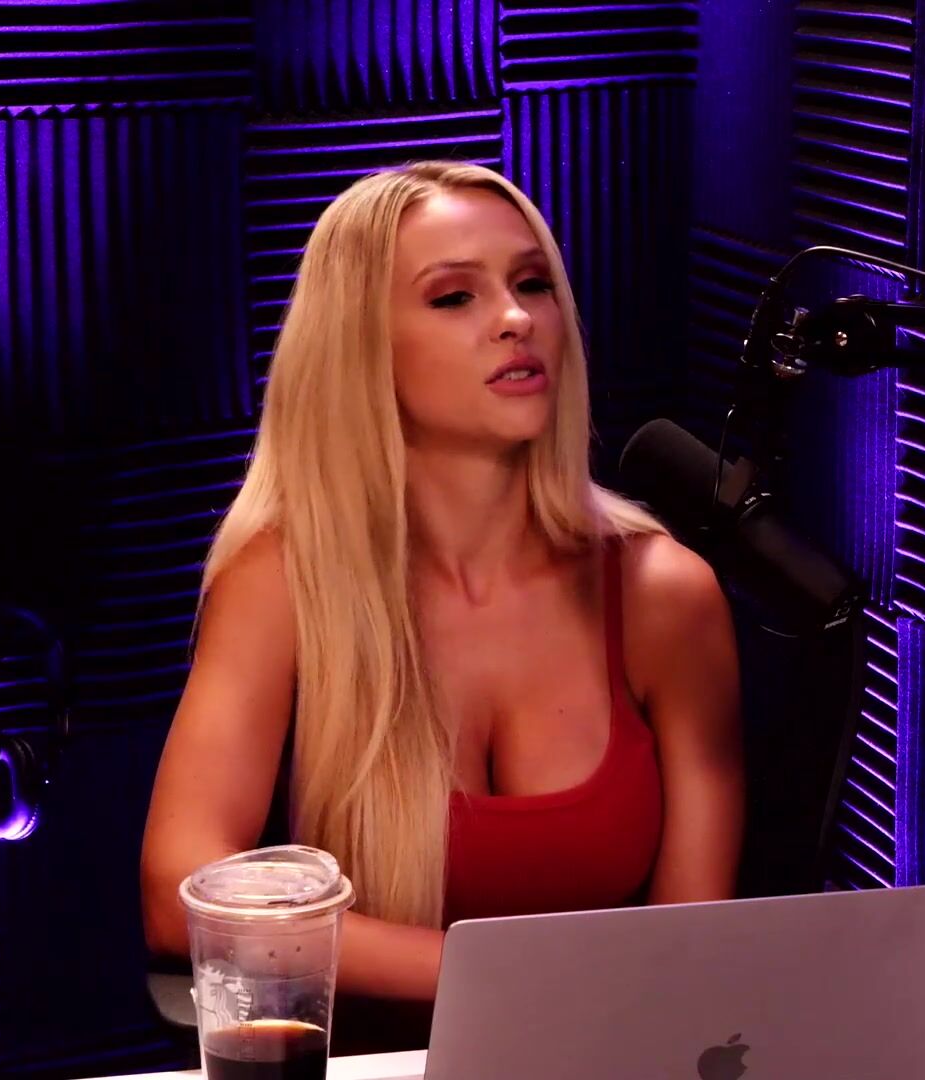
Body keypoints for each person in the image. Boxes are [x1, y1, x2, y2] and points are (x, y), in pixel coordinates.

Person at [138, 160, 744, 1052]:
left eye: (533, 284)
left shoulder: (664, 596)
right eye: (455, 297)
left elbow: (694, 952)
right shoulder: (284, 581)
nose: (516, 318)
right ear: (361, 348)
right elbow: (180, 895)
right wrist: (512, 979)